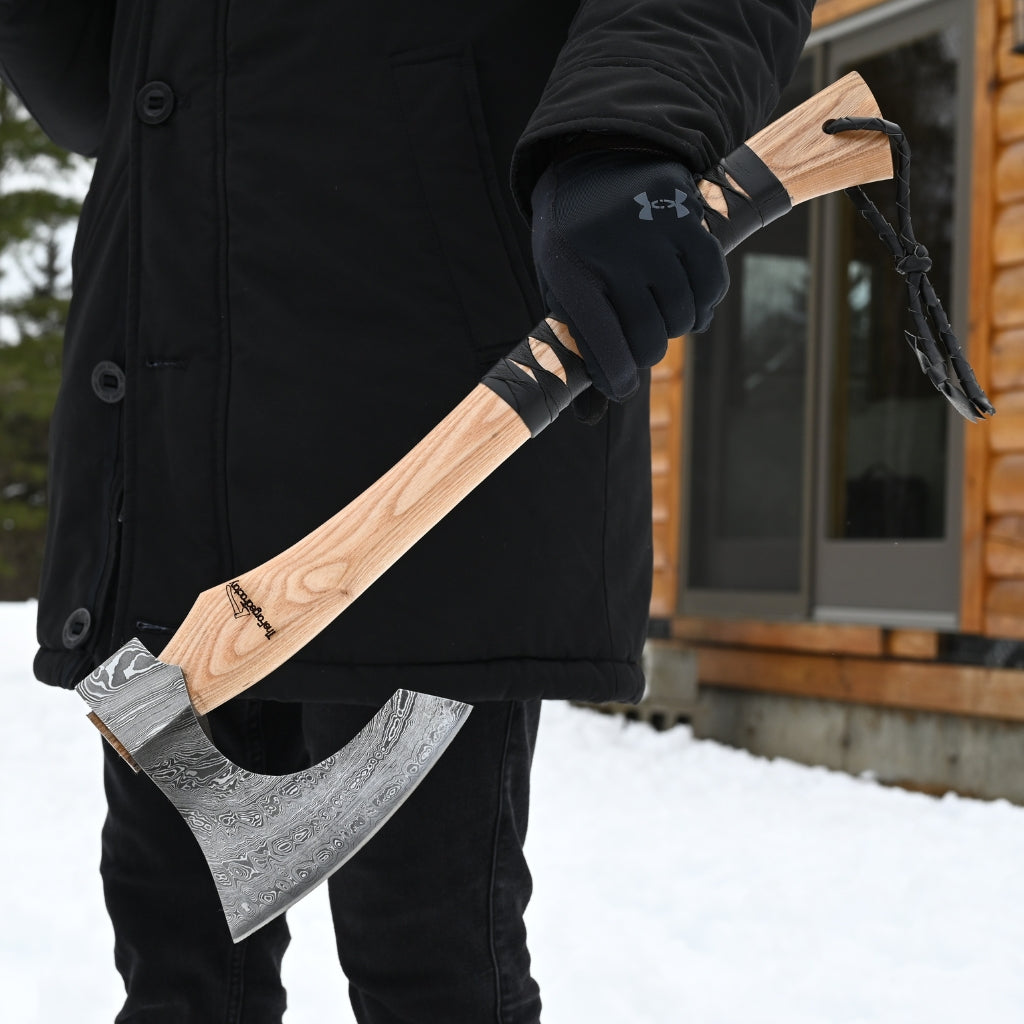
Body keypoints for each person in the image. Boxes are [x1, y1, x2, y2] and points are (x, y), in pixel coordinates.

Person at [1, 1, 814, 1020]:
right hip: (161, 444)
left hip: (423, 446)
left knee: (429, 971)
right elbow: (92, 96)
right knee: (174, 972)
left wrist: (629, 125)